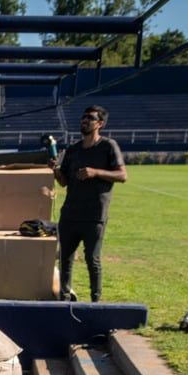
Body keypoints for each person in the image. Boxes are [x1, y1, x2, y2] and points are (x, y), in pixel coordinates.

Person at [51, 105, 127, 302]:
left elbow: (122, 175)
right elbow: (64, 181)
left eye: (90, 118)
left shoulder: (108, 146)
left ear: (100, 123)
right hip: (70, 213)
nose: (84, 121)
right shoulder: (73, 150)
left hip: (94, 215)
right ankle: (65, 295)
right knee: (65, 258)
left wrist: (96, 172)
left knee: (92, 259)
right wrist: (56, 170)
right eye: (83, 117)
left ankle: (95, 300)